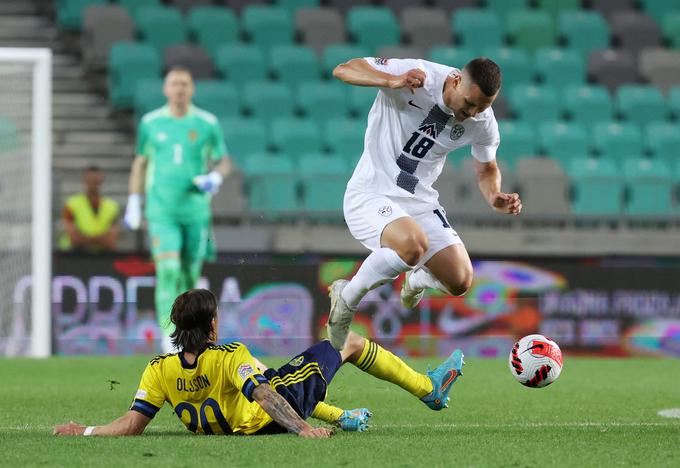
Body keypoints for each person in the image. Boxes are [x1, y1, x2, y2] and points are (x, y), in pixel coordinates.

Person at [53, 289, 464, 438]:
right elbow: (266, 395)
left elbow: (132, 424)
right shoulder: (230, 355)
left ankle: (345, 417)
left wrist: (84, 430)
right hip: (264, 420)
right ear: (211, 323)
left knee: (277, 376)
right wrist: (303, 429)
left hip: (241, 420)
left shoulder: (158, 368)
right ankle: (431, 391)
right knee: (348, 342)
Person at [326, 57, 522, 351]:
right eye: (469, 103)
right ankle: (347, 299)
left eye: (482, 107)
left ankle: (416, 281)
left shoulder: (483, 122)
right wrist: (389, 80)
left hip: (418, 199)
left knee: (460, 280)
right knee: (413, 245)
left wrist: (494, 196)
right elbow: (343, 69)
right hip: (372, 191)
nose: (471, 113)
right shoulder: (417, 77)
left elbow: (486, 169)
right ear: (456, 80)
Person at [123, 67, 231, 353]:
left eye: (185, 83)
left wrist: (215, 177)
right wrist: (134, 201)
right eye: (174, 84)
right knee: (168, 270)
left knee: (189, 278)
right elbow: (141, 163)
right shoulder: (151, 123)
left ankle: (188, 334)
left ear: (192, 89)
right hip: (162, 210)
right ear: (165, 89)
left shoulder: (207, 123)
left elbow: (223, 161)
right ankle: (168, 335)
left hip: (195, 211)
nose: (179, 89)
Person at [60, 165, 120, 252]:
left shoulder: (112, 206)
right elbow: (73, 239)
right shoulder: (71, 204)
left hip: (103, 257)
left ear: (101, 181)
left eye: (96, 181)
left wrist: (84, 239)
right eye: (90, 180)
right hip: (74, 257)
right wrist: (101, 240)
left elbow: (111, 241)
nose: (93, 184)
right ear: (84, 181)